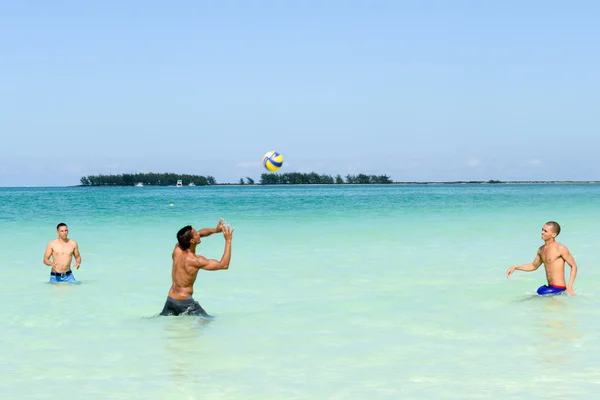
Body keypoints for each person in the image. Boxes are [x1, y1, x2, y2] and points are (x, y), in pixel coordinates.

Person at [160, 219, 234, 317]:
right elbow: (224, 265)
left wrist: (216, 230)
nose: (199, 233)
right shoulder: (196, 261)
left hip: (171, 299)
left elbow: (200, 233)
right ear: (192, 241)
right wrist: (228, 240)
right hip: (184, 302)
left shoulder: (177, 248)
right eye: (196, 233)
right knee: (208, 320)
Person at [506, 221, 578, 296]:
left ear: (554, 234)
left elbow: (573, 266)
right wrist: (515, 267)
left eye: (545, 231)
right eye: (542, 230)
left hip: (559, 289)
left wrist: (569, 287)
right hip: (549, 287)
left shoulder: (560, 248)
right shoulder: (541, 250)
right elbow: (533, 266)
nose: (542, 232)